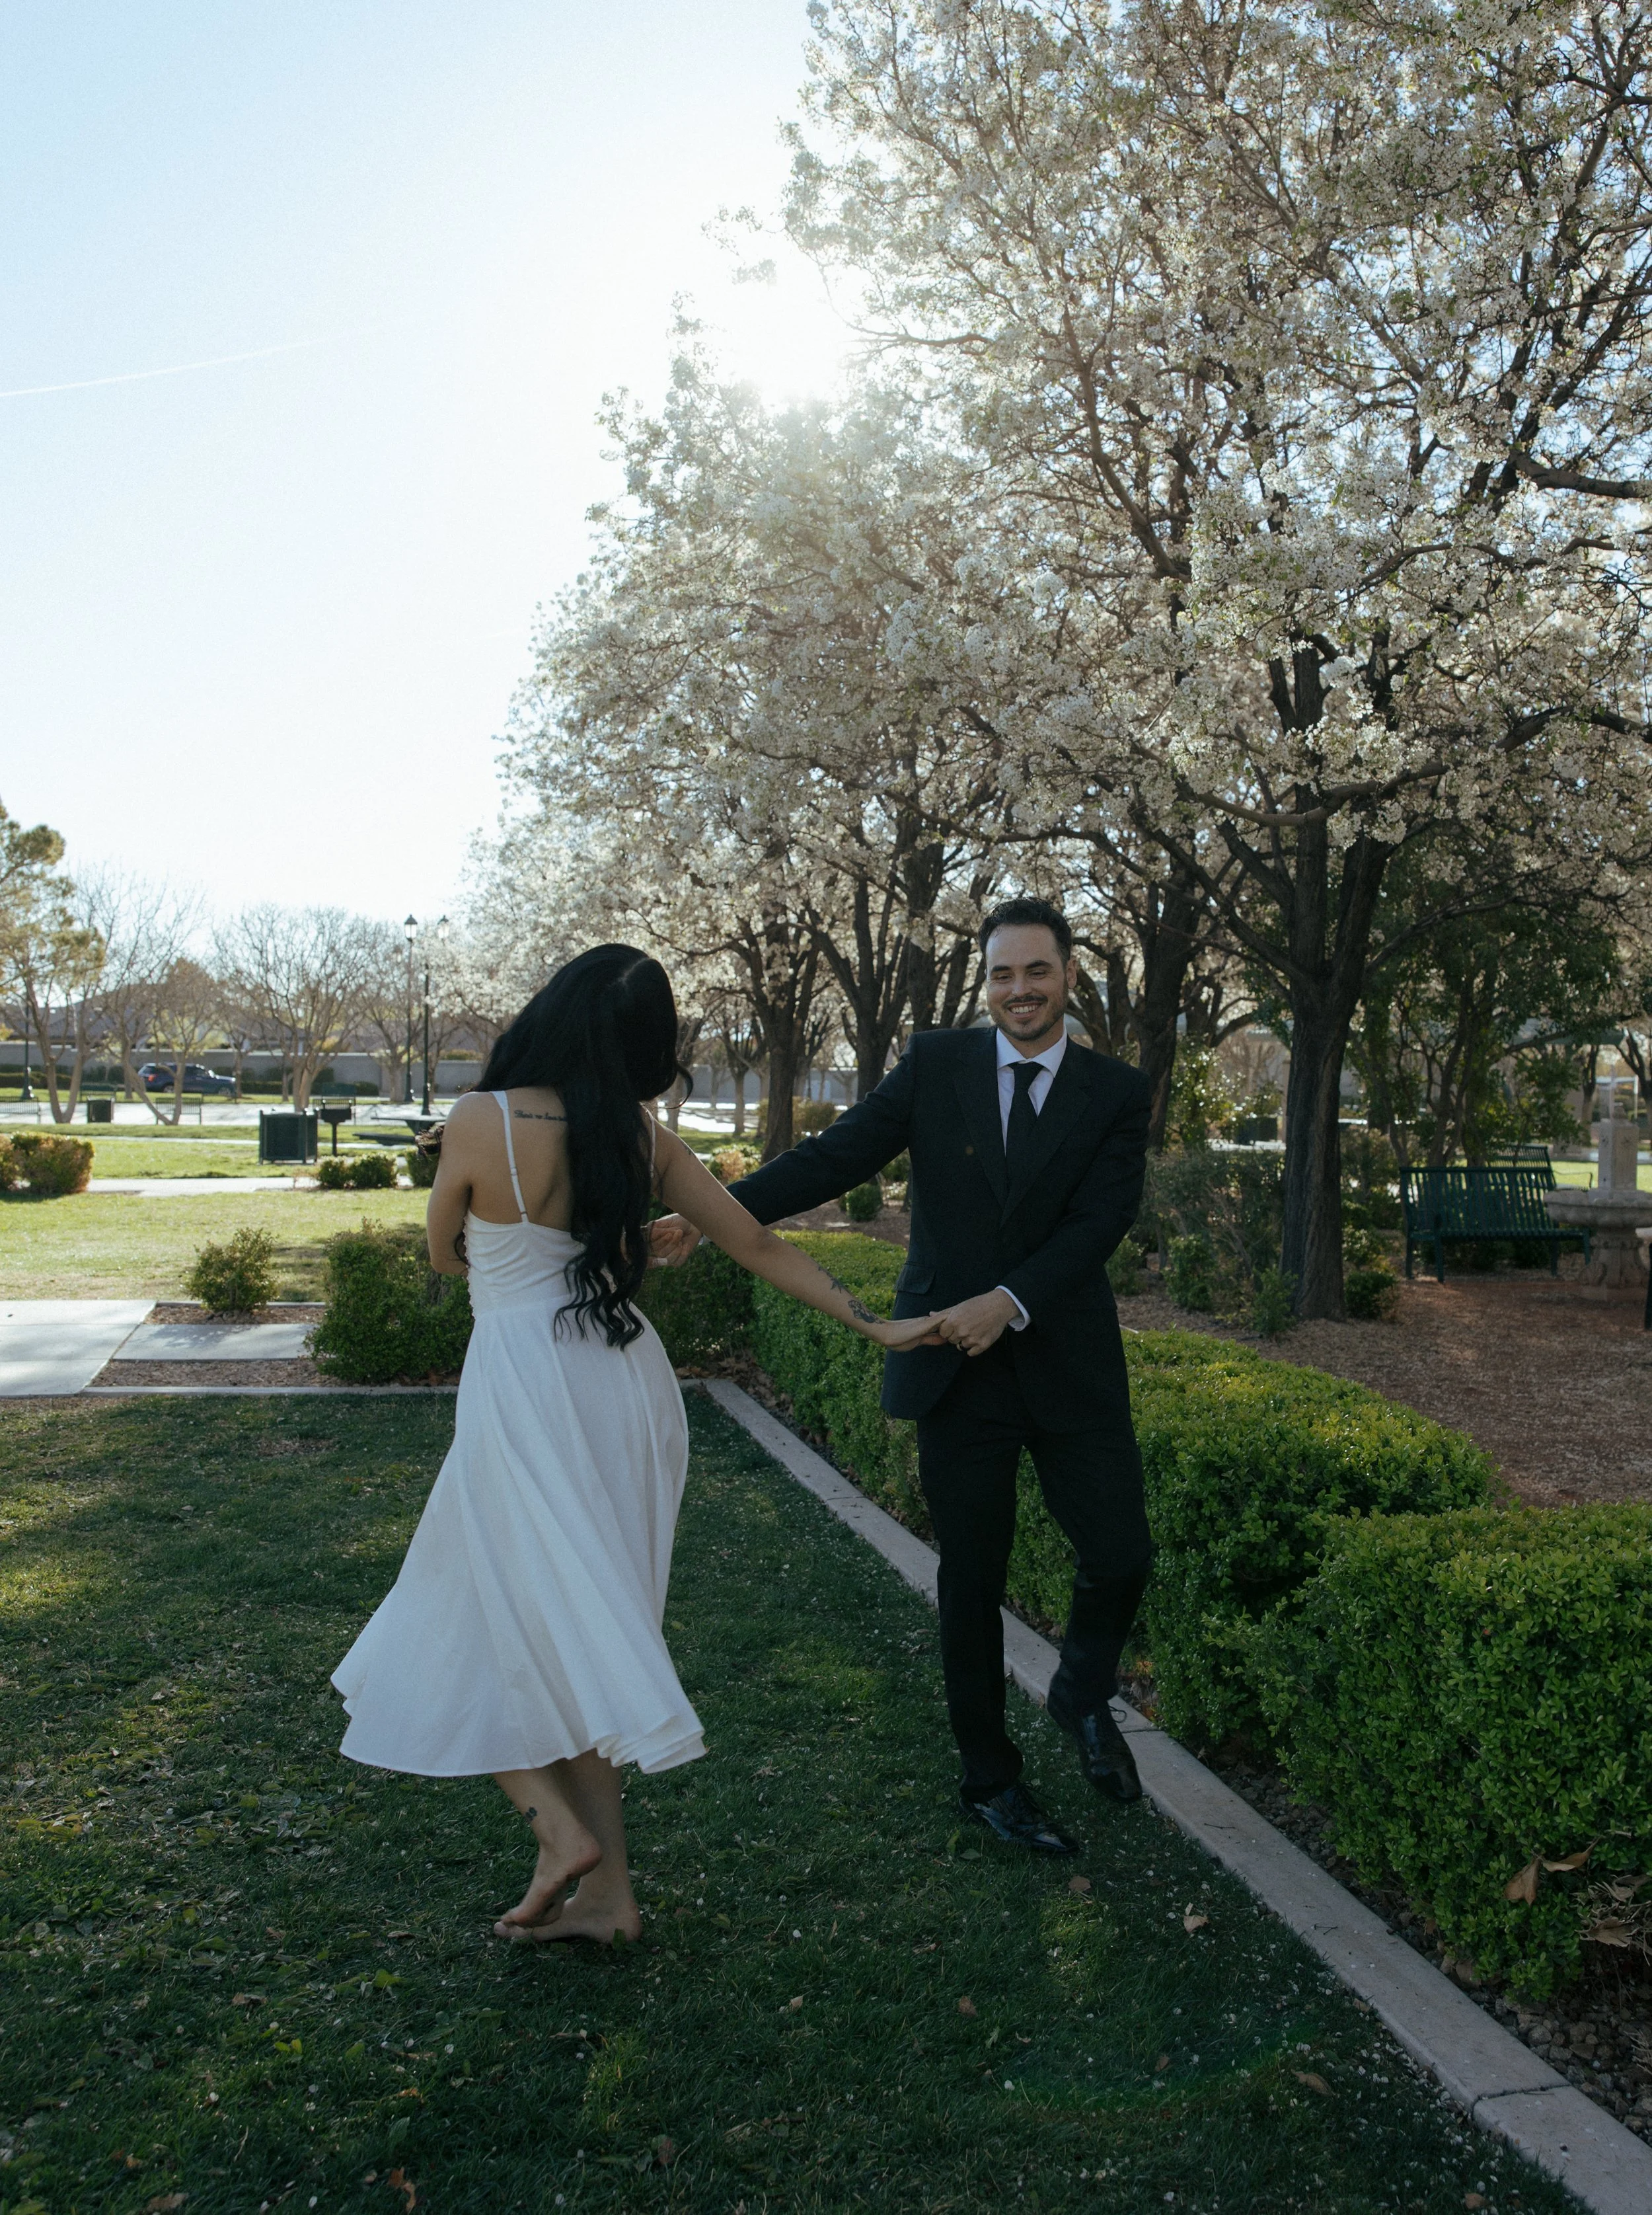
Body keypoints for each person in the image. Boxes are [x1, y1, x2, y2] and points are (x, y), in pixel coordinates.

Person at [330, 944, 939, 1945]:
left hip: (525, 1388)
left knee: (470, 1610)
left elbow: (442, 1255)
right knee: (583, 1632)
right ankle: (608, 1899)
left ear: (550, 1013)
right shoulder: (640, 1136)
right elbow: (755, 1241)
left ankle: (558, 1829)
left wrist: (482, 1215)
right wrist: (871, 1322)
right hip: (620, 1390)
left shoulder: (483, 1120)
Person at [652, 896, 1154, 1855]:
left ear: (1070, 977)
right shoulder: (936, 1065)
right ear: (987, 982)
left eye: (1037, 972)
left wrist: (1007, 1298)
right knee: (972, 1582)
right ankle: (989, 1780)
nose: (1020, 991)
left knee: (1122, 1551)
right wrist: (715, 1217)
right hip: (950, 1366)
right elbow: (834, 1157)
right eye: (1003, 974)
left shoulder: (1116, 1092)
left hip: (1067, 1362)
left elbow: (1100, 1225)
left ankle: (1081, 1690)